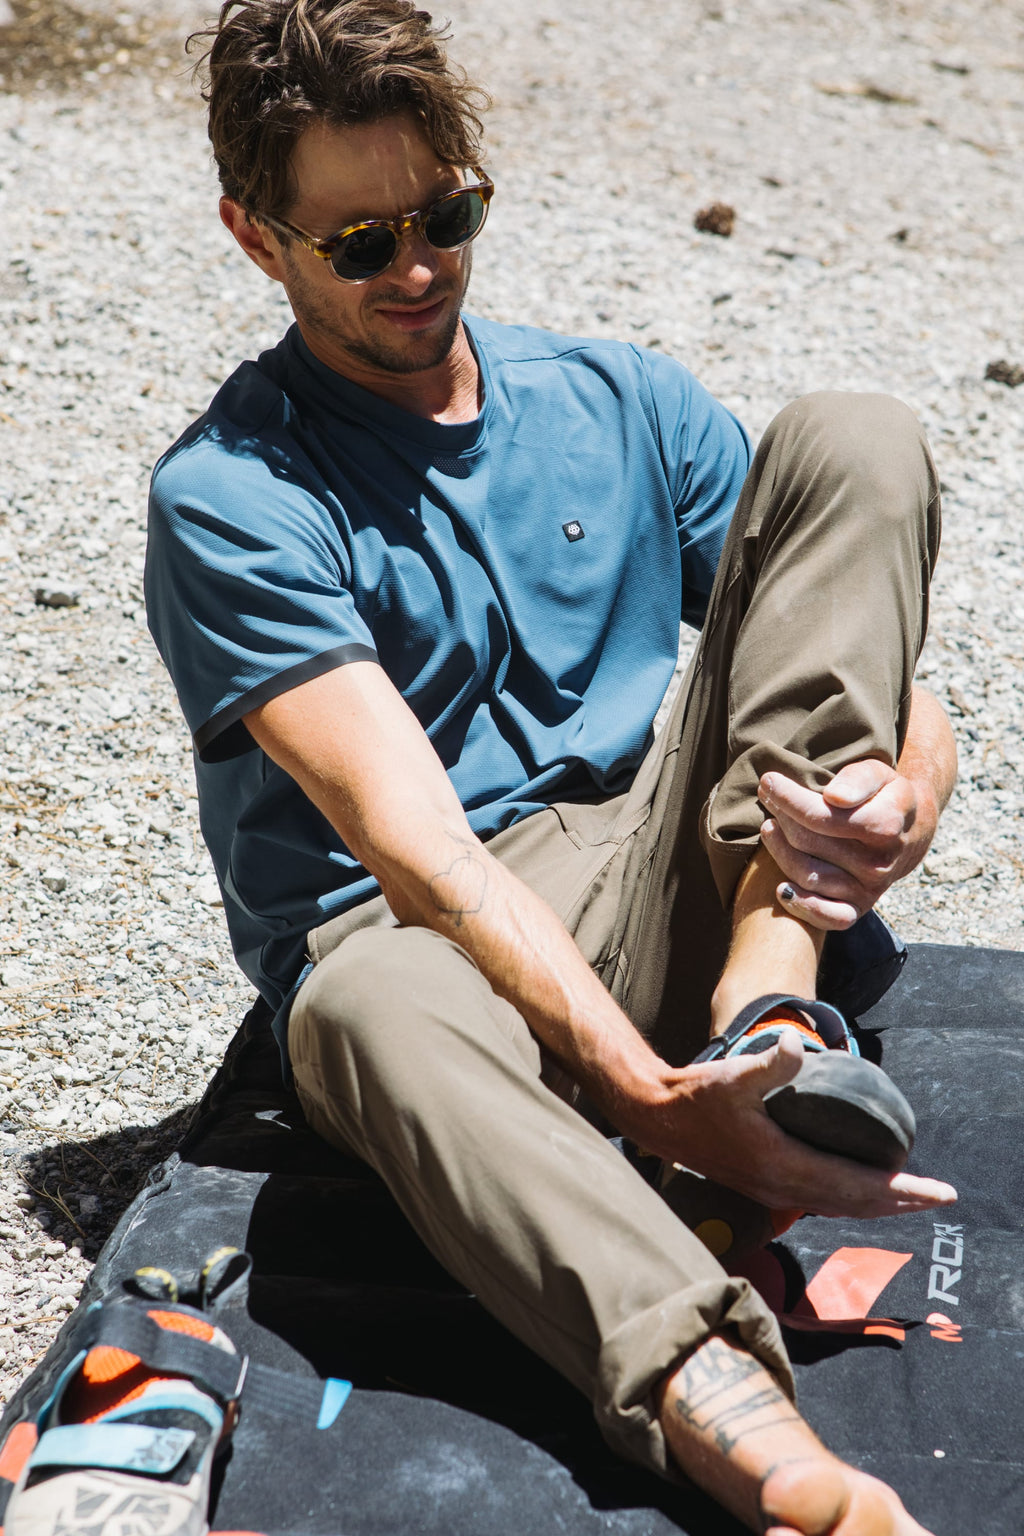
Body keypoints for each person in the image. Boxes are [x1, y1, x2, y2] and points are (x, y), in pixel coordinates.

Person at [143, 2, 959, 1530]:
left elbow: (874, 672)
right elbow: (423, 857)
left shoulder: (619, 398)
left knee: (853, 432)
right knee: (373, 1010)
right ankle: (758, 1443)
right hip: (423, 937)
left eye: (446, 215)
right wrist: (648, 1100)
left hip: (679, 869)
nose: (420, 269)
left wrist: (906, 795)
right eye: (361, 242)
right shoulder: (231, 494)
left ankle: (764, 1014)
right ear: (259, 242)